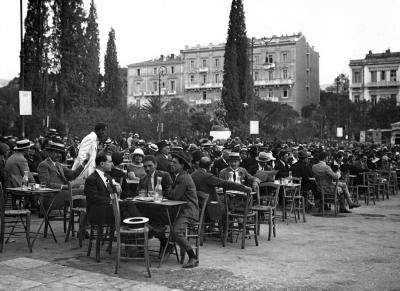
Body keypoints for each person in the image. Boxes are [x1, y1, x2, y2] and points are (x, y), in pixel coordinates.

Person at [84, 152, 141, 226]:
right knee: (128, 204)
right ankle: (144, 227)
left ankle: (133, 234)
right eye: (110, 162)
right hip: (97, 212)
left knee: (126, 214)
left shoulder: (107, 176)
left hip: (108, 208)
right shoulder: (91, 179)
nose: (112, 164)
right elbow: (93, 198)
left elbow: (115, 193)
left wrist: (116, 187)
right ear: (102, 164)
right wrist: (112, 200)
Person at [165, 151, 199, 268]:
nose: (171, 164)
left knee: (175, 231)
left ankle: (193, 257)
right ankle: (167, 247)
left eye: (174, 163)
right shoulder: (179, 176)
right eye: (171, 162)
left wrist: (167, 188)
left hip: (189, 211)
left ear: (182, 165)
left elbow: (174, 196)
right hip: (181, 209)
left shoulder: (183, 178)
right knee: (162, 218)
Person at [192, 156, 251, 221]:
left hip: (198, 204)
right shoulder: (208, 176)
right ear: (209, 166)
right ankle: (226, 228)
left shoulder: (192, 174)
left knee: (225, 200)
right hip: (209, 205)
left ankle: (217, 227)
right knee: (227, 205)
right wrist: (243, 187)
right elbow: (225, 183)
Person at [37, 141, 88, 209]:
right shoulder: (43, 165)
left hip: (61, 194)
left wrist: (83, 164)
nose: (59, 155)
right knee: (84, 191)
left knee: (84, 190)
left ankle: (82, 216)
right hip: (52, 196)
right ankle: (83, 216)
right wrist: (66, 186)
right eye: (56, 152)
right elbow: (46, 184)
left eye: (60, 153)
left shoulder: (58, 164)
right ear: (49, 153)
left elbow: (72, 174)